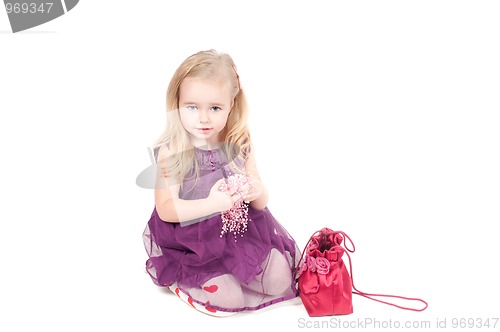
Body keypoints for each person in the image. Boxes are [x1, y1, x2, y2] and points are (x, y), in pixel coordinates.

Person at [143, 49, 300, 317]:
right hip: (193, 240)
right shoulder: (174, 150)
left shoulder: (238, 141)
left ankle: (237, 269)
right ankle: (187, 280)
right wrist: (211, 204)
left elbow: (261, 200)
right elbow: (167, 208)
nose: (203, 118)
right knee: (227, 299)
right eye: (192, 107)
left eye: (215, 108)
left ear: (231, 105)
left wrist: (255, 190)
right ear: (177, 103)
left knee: (281, 281)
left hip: (239, 232)